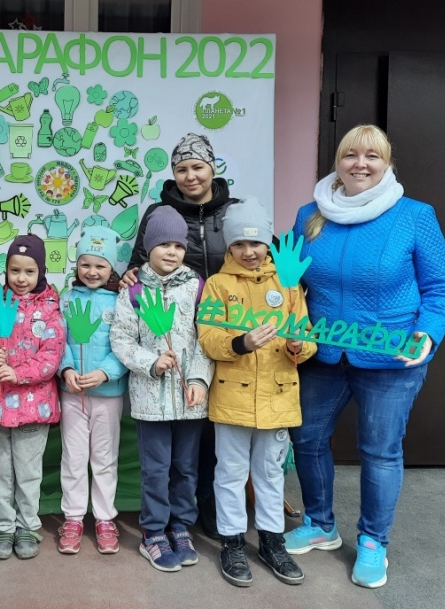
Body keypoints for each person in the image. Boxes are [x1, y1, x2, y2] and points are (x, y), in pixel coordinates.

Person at [284, 125, 445, 588]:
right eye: (350, 155)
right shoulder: (309, 215)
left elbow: (442, 287)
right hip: (322, 352)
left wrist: (428, 333)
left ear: (387, 164)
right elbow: (287, 280)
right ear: (337, 162)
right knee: (306, 438)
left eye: (372, 156)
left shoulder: (415, 216)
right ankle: (320, 524)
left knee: (379, 452)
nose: (360, 164)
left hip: (391, 359)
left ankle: (373, 541)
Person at [121, 133, 247, 540]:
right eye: (181, 169)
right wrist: (130, 277)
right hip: (179, 332)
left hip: (226, 328)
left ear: (213, 167)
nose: (190, 175)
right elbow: (138, 263)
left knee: (212, 428)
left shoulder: (233, 210)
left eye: (197, 166)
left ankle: (205, 504)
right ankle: (168, 521)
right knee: (182, 435)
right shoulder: (160, 212)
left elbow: (256, 253)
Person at [197, 199, 316, 587]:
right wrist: (241, 343)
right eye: (239, 244)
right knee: (230, 473)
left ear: (268, 243)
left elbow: (307, 335)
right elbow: (208, 337)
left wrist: (299, 346)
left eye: (256, 243)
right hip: (231, 398)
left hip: (278, 397)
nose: (249, 252)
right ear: (229, 247)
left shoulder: (288, 282)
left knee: (269, 473)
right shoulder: (218, 285)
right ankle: (232, 541)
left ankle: (271, 540)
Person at [110, 207, 214, 572]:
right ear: (148, 247)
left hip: (190, 400)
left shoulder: (198, 286)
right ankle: (153, 532)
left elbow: (206, 339)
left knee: (185, 468)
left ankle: (180, 527)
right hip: (149, 400)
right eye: (164, 244)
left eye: (178, 245)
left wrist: (199, 380)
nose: (171, 252)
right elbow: (121, 339)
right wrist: (151, 362)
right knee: (156, 470)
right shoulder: (134, 290)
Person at [0, 234, 67, 560]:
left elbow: (51, 356)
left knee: (28, 472)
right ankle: (2, 526)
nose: (21, 278)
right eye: (15, 270)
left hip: (33, 407)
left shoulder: (50, 309)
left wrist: (19, 372)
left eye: (29, 271)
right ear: (6, 270)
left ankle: (27, 525)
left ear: (40, 271)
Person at [56, 226, 129, 555]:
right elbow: (58, 340)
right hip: (72, 395)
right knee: (73, 458)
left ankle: (104, 518)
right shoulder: (66, 299)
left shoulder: (121, 301)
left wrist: (105, 373)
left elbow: (125, 344)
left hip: (108, 396)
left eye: (100, 265)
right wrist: (67, 369)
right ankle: (73, 518)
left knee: (104, 459)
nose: (92, 271)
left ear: (111, 268)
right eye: (85, 264)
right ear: (76, 265)